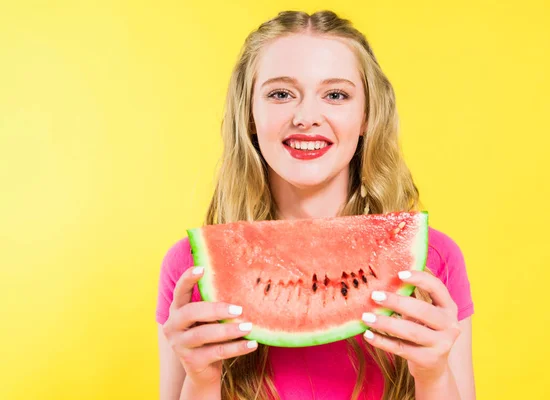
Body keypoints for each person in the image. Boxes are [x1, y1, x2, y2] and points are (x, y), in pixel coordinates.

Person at [156, 10, 475, 400]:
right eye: (280, 94)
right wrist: (202, 381)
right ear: (250, 115)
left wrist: (433, 376)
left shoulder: (436, 259)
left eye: (336, 95)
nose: (306, 117)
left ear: (366, 116)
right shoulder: (191, 268)